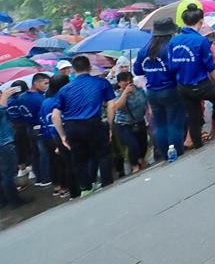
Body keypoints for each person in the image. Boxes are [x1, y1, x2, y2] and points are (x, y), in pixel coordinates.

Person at [169, 4, 215, 146]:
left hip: (183, 87)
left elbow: (172, 66)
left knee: (194, 116)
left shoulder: (174, 41)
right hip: (201, 86)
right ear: (201, 22)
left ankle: (198, 146)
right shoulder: (201, 41)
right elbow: (210, 66)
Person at [51, 55, 115, 194]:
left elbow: (55, 115)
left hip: (72, 126)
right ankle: (107, 184)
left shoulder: (64, 89)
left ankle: (86, 188)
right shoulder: (101, 83)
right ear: (90, 68)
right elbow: (111, 105)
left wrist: (62, 135)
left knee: (78, 159)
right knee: (103, 155)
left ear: (73, 70)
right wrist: (109, 125)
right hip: (93, 122)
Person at [134, 17, 183, 158]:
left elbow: (138, 71)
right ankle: (176, 153)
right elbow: (175, 68)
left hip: (152, 93)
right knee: (174, 125)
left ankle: (164, 154)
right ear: (170, 32)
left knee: (160, 126)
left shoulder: (144, 50)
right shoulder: (171, 47)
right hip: (171, 90)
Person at [108, 72, 149, 173]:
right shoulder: (117, 94)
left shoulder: (138, 90)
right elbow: (118, 106)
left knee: (143, 143)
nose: (127, 83)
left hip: (139, 121)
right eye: (124, 82)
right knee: (132, 145)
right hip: (124, 124)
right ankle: (134, 164)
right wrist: (125, 93)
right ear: (119, 83)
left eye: (129, 80)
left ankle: (141, 159)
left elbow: (146, 101)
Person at [40, 75, 72, 198]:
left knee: (59, 163)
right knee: (70, 162)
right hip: (66, 133)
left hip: (52, 136)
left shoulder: (45, 102)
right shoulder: (63, 99)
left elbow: (43, 120)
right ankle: (73, 186)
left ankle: (62, 188)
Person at [0, 85, 27, 207]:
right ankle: (14, 201)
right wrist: (4, 99)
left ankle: (4, 200)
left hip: (4, 142)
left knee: (3, 174)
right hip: (4, 143)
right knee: (8, 174)